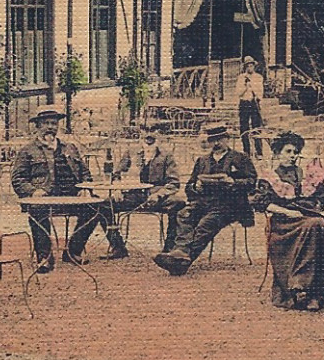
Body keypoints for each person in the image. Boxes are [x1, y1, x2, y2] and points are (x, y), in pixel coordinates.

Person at [255, 132, 324, 311]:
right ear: (277, 154)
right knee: (317, 226)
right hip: (284, 224)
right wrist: (288, 211)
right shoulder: (270, 177)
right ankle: (303, 288)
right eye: (288, 151)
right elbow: (261, 203)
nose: (292, 156)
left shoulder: (306, 175)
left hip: (310, 219)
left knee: (321, 228)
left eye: (295, 152)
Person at [10, 106, 108, 272]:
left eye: (54, 124)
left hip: (71, 196)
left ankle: (73, 251)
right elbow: (17, 179)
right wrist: (33, 191)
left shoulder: (69, 147)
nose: (50, 127)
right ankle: (45, 257)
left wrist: (85, 188)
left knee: (96, 206)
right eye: (46, 123)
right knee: (37, 211)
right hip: (44, 198)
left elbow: (85, 173)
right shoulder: (28, 151)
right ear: (38, 126)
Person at [154, 123, 256, 276]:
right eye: (212, 140)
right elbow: (189, 186)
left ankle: (183, 260)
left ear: (227, 139)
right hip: (203, 202)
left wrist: (233, 182)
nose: (216, 143)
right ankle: (180, 253)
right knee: (183, 214)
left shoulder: (240, 158)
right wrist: (196, 187)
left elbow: (253, 182)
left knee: (205, 224)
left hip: (229, 205)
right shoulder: (202, 161)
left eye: (220, 139)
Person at [104, 128, 184, 256]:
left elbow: (174, 183)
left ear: (158, 134)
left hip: (156, 196)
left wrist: (159, 194)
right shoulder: (131, 152)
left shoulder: (166, 155)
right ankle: (117, 246)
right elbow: (116, 174)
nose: (149, 134)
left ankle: (169, 249)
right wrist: (117, 188)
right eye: (145, 130)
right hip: (133, 195)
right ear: (140, 132)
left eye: (153, 131)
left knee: (178, 203)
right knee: (104, 205)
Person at [235, 56, 265, 157]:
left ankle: (259, 151)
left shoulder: (258, 77)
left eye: (251, 66)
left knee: (256, 127)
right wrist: (245, 87)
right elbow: (238, 93)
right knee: (244, 128)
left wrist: (252, 86)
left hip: (254, 104)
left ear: (254, 67)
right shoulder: (241, 78)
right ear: (245, 67)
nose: (250, 68)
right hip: (244, 104)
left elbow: (260, 93)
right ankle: (246, 151)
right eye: (248, 66)